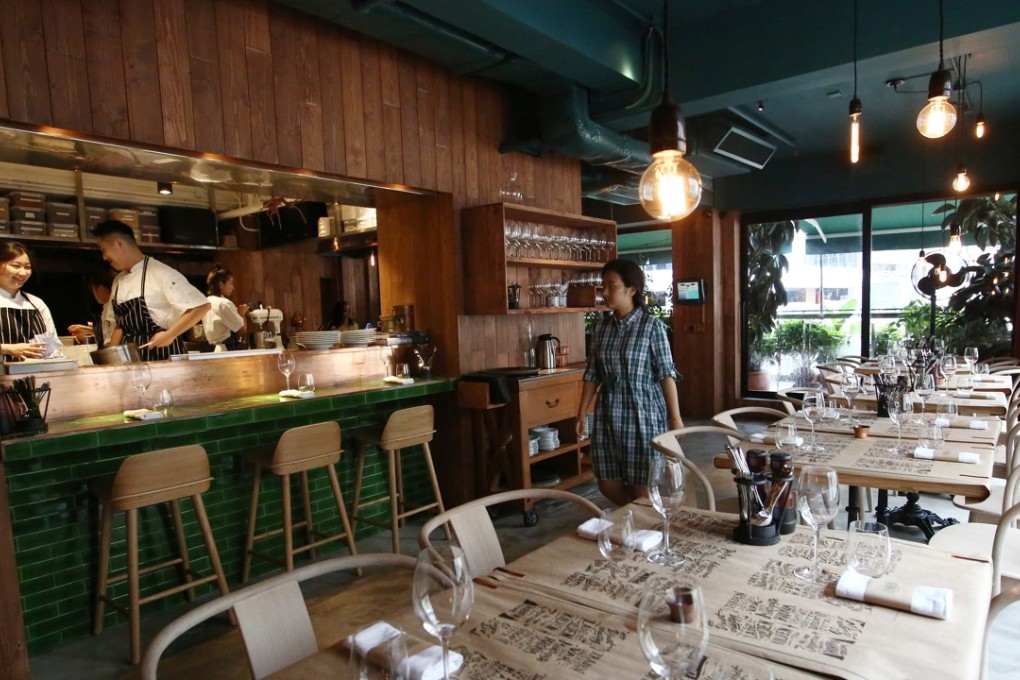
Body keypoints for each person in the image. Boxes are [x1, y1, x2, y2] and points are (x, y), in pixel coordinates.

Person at [575, 258, 682, 507]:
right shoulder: (601, 329)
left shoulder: (652, 327)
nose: (605, 292)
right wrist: (581, 412)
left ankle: (640, 529)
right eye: (603, 286)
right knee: (606, 481)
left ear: (631, 289)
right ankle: (633, 516)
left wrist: (675, 418)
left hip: (642, 414)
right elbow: (592, 374)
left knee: (642, 485)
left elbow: (666, 374)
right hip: (608, 414)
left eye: (611, 286)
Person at [91, 220, 211, 361]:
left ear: (119, 244)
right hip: (131, 361)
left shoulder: (160, 273)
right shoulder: (118, 281)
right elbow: (119, 327)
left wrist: (169, 335)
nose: (104, 257)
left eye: (103, 250)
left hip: (163, 356)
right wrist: (111, 360)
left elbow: (201, 306)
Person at [0, 241, 57, 359]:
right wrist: (7, 349)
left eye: (27, 267)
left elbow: (52, 345)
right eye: (15, 266)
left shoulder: (36, 303)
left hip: (36, 374)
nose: (23, 272)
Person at [203, 264, 248, 352]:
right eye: (231, 283)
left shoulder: (207, 301)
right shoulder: (224, 303)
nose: (233, 287)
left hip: (214, 349)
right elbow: (242, 329)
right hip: (226, 350)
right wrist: (242, 314)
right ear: (221, 285)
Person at [67, 269, 116, 347]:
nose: (94, 295)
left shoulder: (113, 307)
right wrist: (85, 329)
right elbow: (105, 331)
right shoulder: (107, 307)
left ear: (100, 288)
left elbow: (112, 334)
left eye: (93, 290)